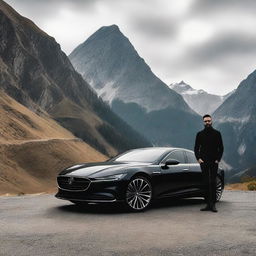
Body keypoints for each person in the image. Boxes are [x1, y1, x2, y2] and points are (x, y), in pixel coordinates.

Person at [194, 114, 224, 212]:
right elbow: (196, 148)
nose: (207, 123)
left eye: (209, 121)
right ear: (203, 122)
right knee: (206, 183)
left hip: (214, 162)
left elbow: (221, 148)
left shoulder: (217, 133)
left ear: (211, 121)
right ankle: (207, 204)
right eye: (205, 121)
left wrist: (218, 159)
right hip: (204, 162)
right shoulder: (199, 134)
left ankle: (213, 205)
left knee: (213, 182)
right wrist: (198, 159)